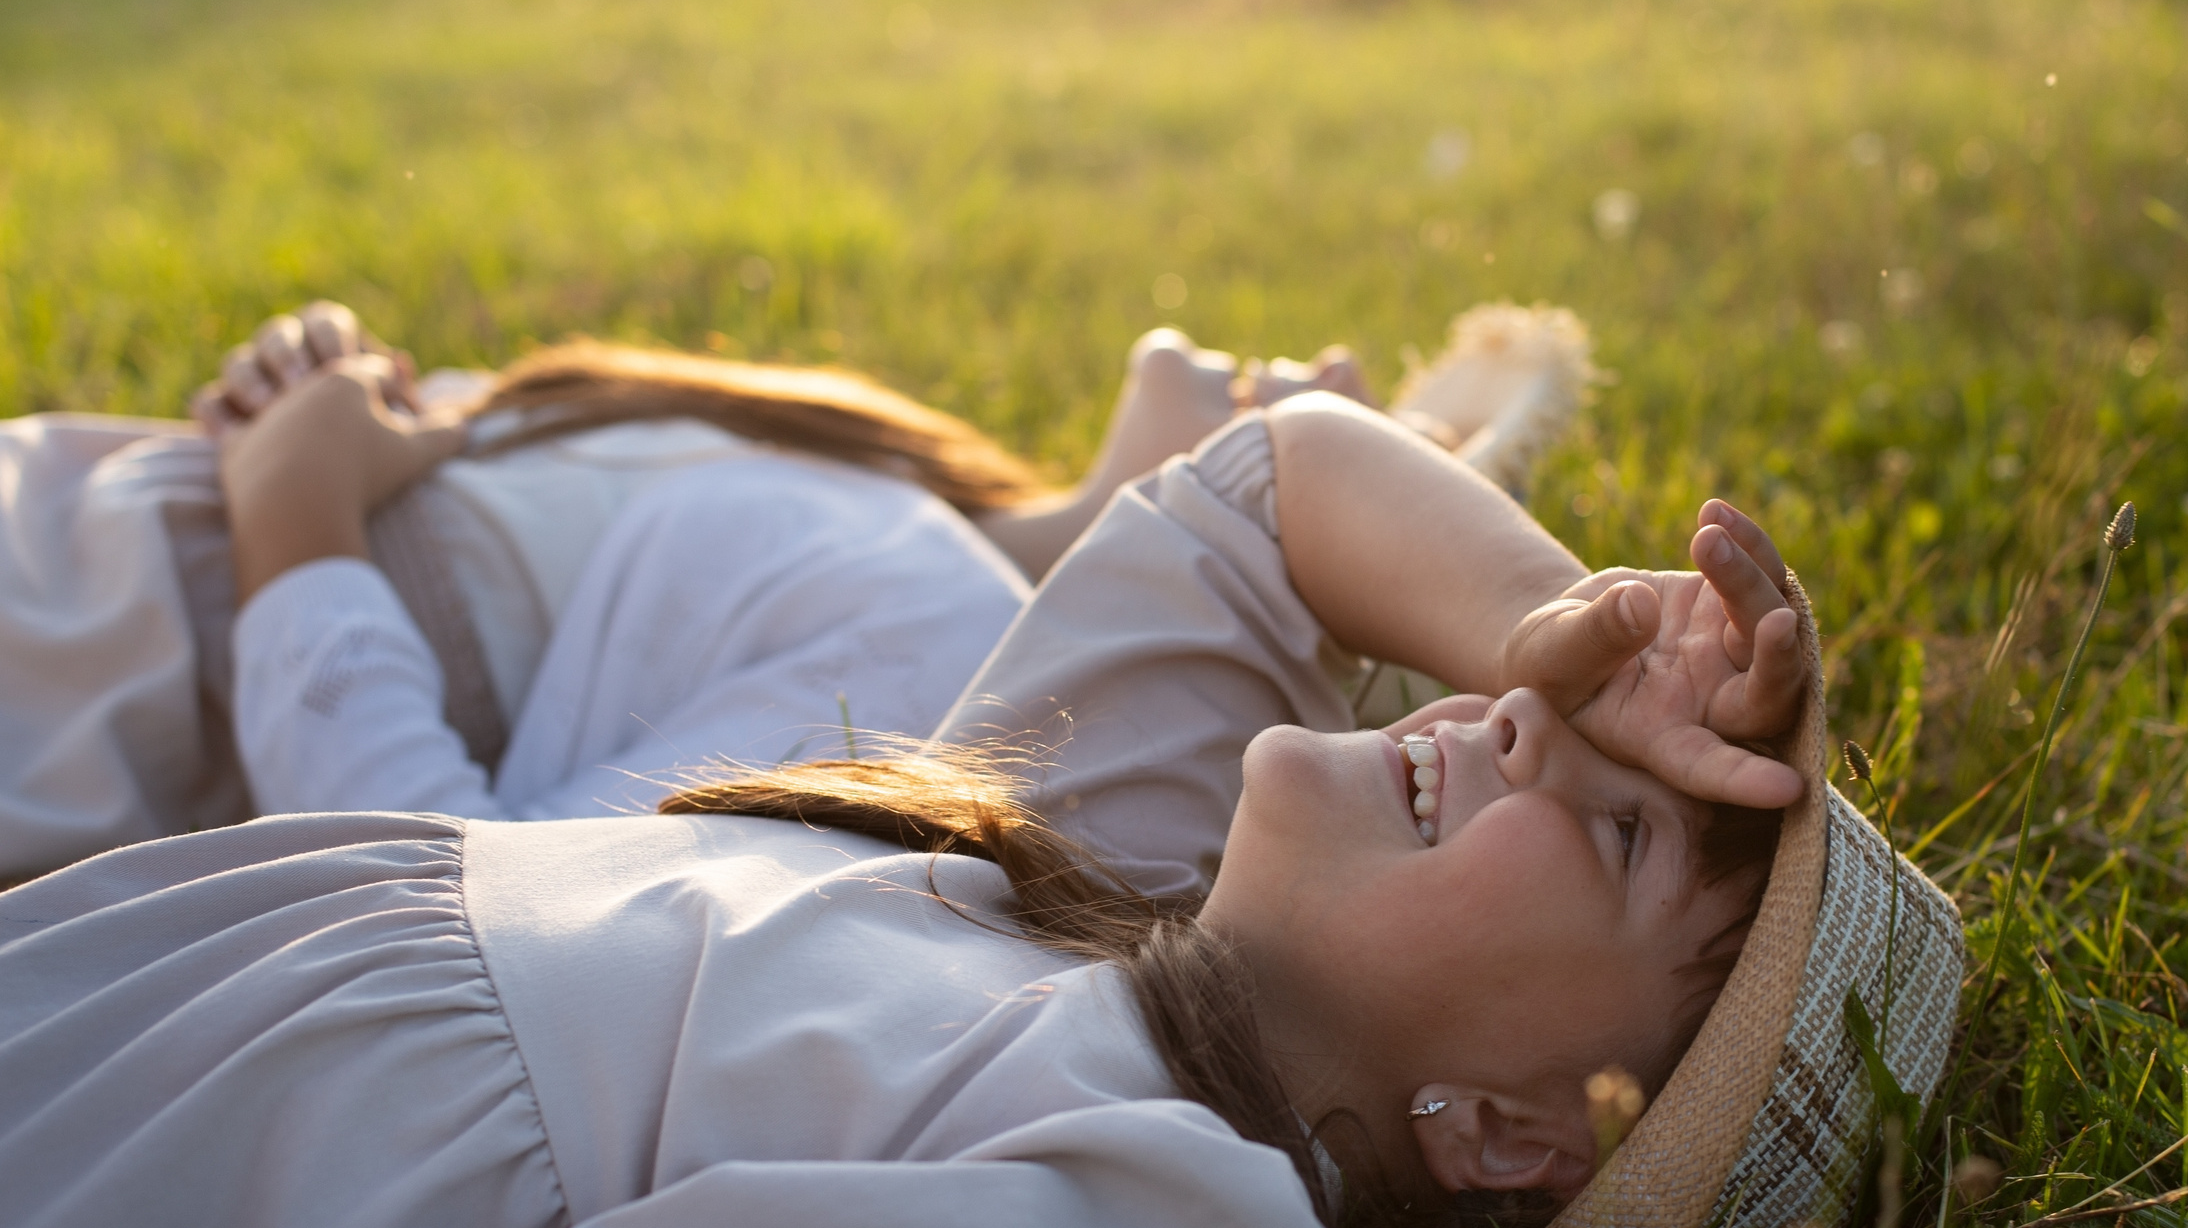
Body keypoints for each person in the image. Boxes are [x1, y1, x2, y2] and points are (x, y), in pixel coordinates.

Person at [0, 384, 1964, 1228]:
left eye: (1609, 833)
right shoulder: (1090, 888)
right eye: (1572, 723)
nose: (1517, 719)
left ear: (1520, 1136)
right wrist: (1557, 621)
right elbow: (1273, 482)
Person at [0, 301, 1393, 878]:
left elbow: (444, 881)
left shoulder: (940, 662)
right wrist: (311, 387)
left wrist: (290, 505)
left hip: (91, 682)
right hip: (73, 521)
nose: (1334, 385)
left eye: (1391, 465)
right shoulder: (892, 499)